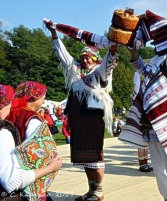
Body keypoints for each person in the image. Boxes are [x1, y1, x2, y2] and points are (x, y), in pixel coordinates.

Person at [123, 10, 167, 200]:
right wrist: (132, 51)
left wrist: (148, 17)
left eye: (159, 38)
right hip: (150, 118)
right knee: (159, 169)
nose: (157, 42)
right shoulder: (155, 60)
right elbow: (142, 69)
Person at [44, 19, 118, 201]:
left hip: (93, 116)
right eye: (83, 56)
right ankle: (91, 190)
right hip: (78, 116)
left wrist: (113, 49)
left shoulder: (99, 72)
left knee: (95, 154)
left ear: (94, 58)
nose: (85, 59)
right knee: (83, 155)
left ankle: (99, 191)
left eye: (88, 57)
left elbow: (109, 63)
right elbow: (63, 54)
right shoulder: (75, 70)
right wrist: (54, 34)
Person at [2, 82, 62, 200]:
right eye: (42, 98)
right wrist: (50, 167)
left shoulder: (11, 113)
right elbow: (37, 152)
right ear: (33, 98)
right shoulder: (32, 118)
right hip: (26, 180)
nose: (43, 102)